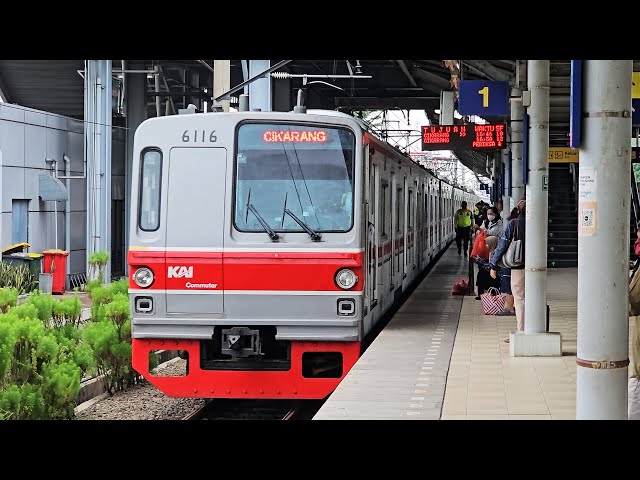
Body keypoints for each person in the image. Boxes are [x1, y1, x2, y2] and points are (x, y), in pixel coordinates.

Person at [489, 196, 526, 340]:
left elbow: (502, 245)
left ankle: (522, 331)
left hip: (519, 266)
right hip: (538, 269)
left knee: (520, 299)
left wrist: (493, 264)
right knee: (534, 297)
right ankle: (535, 327)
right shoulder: (539, 223)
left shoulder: (514, 224)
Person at [474, 235, 501, 299]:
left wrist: (480, 261)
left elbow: (491, 267)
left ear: (492, 243)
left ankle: (486, 295)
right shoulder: (492, 251)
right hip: (495, 275)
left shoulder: (495, 254)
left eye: (487, 244)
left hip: (497, 276)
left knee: (482, 274)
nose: (486, 245)